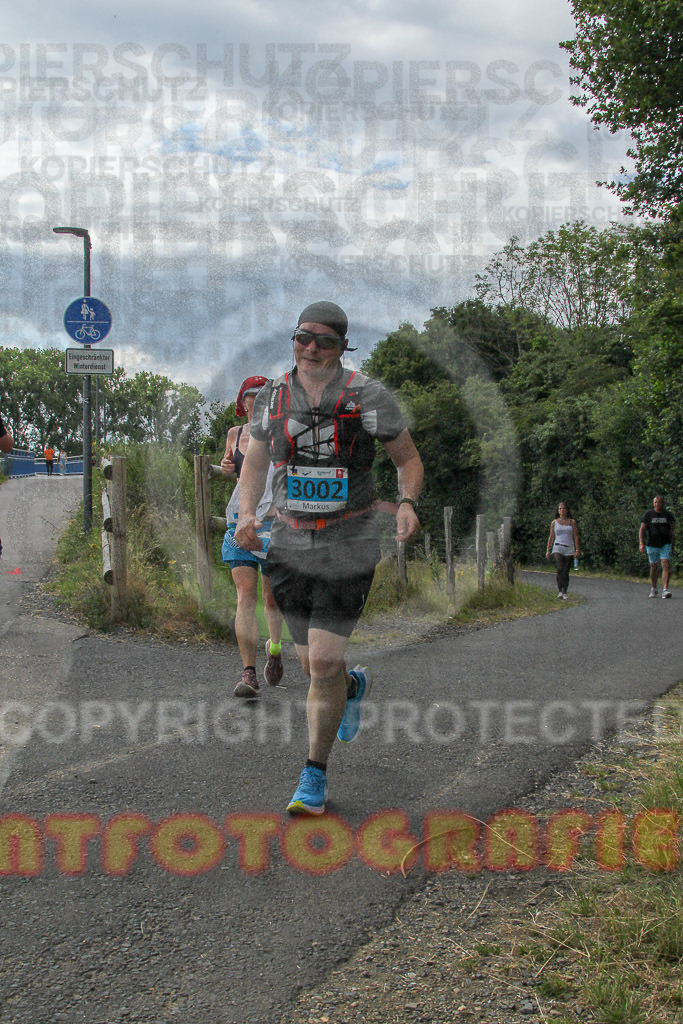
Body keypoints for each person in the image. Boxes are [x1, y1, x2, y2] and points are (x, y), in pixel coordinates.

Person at [235, 301, 423, 815]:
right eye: (304, 337)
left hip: (350, 540)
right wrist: (246, 513)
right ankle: (352, 684)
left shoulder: (369, 395)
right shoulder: (271, 396)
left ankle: (313, 776)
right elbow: (253, 465)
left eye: (326, 341)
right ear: (293, 338)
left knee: (322, 662)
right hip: (290, 544)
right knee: (312, 665)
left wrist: (406, 502)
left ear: (343, 346)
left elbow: (407, 459)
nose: (312, 347)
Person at [220, 376, 285, 697]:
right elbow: (231, 470)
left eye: (264, 395)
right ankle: (248, 673)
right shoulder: (235, 434)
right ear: (242, 401)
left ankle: (274, 649)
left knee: (271, 599)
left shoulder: (281, 433)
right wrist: (226, 466)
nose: (257, 400)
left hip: (273, 523)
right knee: (246, 596)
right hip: (239, 520)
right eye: (252, 395)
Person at [640, 495, 675, 599]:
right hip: (652, 544)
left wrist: (673, 543)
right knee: (653, 566)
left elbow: (673, 530)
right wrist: (641, 543)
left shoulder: (668, 515)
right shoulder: (648, 514)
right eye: (655, 502)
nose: (657, 504)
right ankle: (654, 588)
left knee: (665, 563)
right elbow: (642, 529)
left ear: (663, 503)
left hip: (665, 543)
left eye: (659, 502)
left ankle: (665, 589)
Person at [546, 502, 580, 599]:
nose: (562, 510)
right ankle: (560, 591)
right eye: (560, 509)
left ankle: (565, 592)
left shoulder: (572, 522)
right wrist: (548, 550)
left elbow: (576, 536)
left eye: (564, 508)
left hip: (569, 547)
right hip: (558, 546)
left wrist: (577, 550)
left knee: (566, 570)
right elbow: (551, 536)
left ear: (567, 510)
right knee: (560, 567)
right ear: (558, 511)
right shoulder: (554, 522)